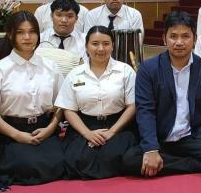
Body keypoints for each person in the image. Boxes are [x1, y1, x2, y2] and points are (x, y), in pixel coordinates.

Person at [132, 11, 201, 177]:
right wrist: (151, 148)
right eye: (173, 36)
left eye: (185, 36)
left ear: (194, 39)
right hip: (161, 137)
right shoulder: (148, 69)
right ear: (164, 39)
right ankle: (195, 165)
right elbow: (145, 110)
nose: (179, 42)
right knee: (130, 160)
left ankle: (169, 164)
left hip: (195, 136)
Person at [0, 11, 67, 185]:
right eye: (20, 32)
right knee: (28, 168)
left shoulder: (50, 67)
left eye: (32, 31)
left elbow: (62, 105)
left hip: (44, 129)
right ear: (11, 35)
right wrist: (18, 135)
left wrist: (50, 128)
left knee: (61, 163)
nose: (27, 37)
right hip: (10, 132)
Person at [55, 26, 139, 180]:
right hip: (85, 126)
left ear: (112, 46)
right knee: (75, 160)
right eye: (95, 44)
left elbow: (132, 106)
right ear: (86, 46)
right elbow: (69, 109)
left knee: (118, 157)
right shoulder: (75, 74)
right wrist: (87, 133)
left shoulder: (125, 71)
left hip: (118, 126)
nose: (101, 49)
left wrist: (111, 132)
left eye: (106, 44)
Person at [36, 0, 84, 77]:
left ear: (76, 18)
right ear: (51, 16)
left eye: (69, 16)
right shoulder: (39, 39)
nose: (64, 20)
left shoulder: (86, 41)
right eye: (59, 15)